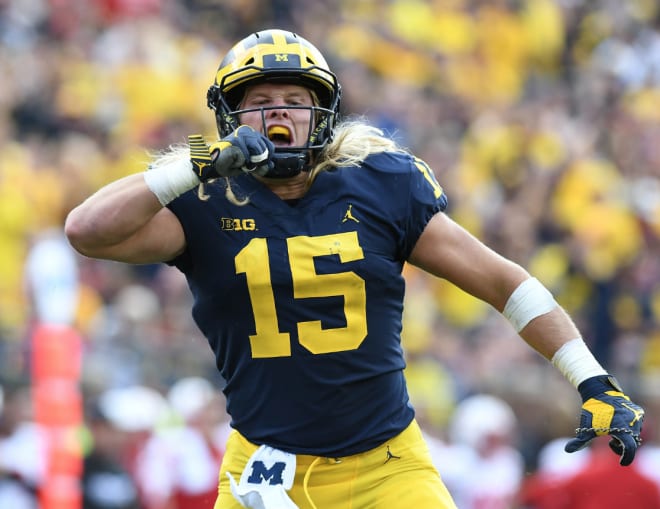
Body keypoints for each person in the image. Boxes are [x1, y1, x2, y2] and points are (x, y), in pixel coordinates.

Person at [64, 28, 645, 509]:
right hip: (265, 471)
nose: (277, 117)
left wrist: (594, 382)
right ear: (228, 117)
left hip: (386, 468)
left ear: (323, 113)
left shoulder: (380, 185)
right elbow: (86, 231)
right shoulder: (206, 199)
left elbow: (504, 282)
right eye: (260, 104)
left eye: (293, 101)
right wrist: (189, 167)